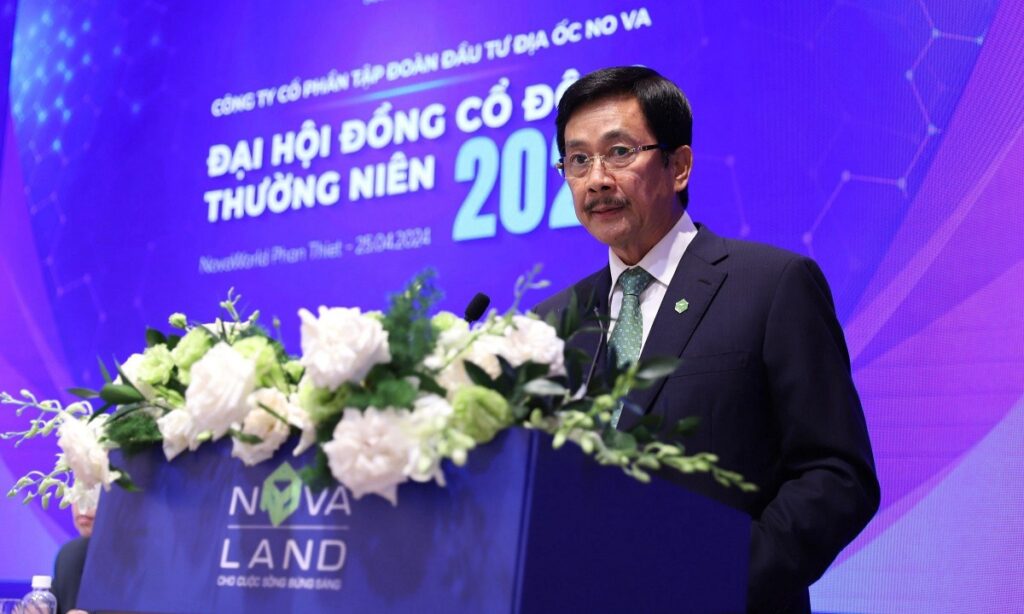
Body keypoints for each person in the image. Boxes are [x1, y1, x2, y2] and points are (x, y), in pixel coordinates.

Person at [534, 66, 880, 613]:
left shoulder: (771, 285)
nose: (596, 179)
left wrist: (721, 578)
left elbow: (837, 475)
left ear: (679, 166)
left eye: (619, 152)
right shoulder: (554, 321)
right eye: (578, 160)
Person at [52, 501, 94, 614]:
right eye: (76, 496)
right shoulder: (70, 554)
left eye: (94, 497)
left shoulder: (136, 560)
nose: (83, 507)